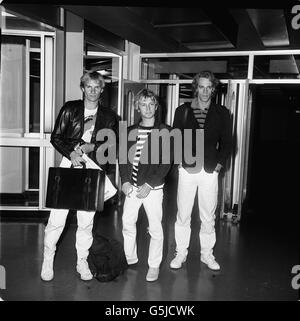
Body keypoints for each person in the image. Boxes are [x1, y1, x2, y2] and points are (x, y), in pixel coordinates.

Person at [41, 71, 119, 281]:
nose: (93, 91)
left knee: (86, 221)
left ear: (102, 90)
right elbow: (56, 137)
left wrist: (94, 146)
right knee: (57, 219)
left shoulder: (109, 116)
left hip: (93, 169)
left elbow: (113, 145)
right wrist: (71, 152)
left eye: (97, 87)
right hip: (69, 165)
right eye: (89, 86)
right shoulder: (70, 108)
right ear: (83, 88)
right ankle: (48, 259)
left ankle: (82, 262)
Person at [170, 71, 232, 271]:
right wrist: (179, 161)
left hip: (209, 170)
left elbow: (228, 142)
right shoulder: (183, 111)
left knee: (208, 216)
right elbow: (174, 137)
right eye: (201, 87)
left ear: (213, 89)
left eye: (208, 87)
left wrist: (219, 165)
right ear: (195, 88)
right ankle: (181, 253)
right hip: (188, 169)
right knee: (183, 214)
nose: (204, 91)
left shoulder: (222, 112)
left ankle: (207, 254)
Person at [119, 88, 173, 282]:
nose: (148, 108)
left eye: (151, 104)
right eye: (143, 104)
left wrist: (149, 184)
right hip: (132, 187)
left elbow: (166, 162)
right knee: (127, 222)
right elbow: (123, 159)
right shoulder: (130, 131)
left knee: (155, 228)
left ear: (156, 107)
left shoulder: (165, 131)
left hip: (152, 188)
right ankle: (129, 257)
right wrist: (124, 181)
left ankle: (154, 265)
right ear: (137, 107)